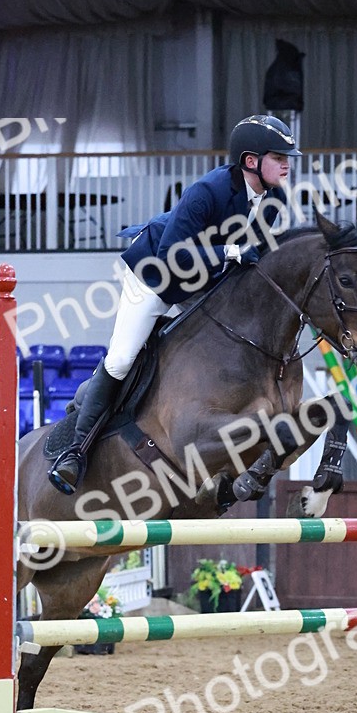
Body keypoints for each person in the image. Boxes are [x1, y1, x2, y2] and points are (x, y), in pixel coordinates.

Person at [48, 114, 301, 494]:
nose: (287, 163)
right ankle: (75, 452)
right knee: (121, 358)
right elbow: (173, 256)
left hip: (204, 279)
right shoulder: (208, 190)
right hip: (155, 275)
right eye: (279, 156)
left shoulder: (274, 199)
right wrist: (231, 251)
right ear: (251, 160)